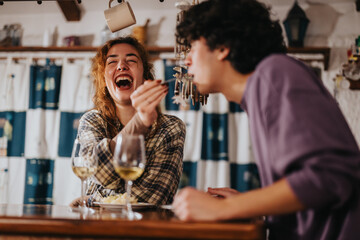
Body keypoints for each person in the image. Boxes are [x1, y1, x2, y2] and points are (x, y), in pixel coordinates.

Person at [172, 0, 360, 239]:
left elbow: (331, 176)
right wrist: (253, 206)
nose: (186, 60)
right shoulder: (259, 91)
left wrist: (225, 208)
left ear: (222, 47)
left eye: (193, 47)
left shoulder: (275, 74)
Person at [71, 36, 185, 206]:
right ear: (104, 80)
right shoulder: (92, 120)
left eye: (131, 60)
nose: (121, 66)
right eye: (112, 62)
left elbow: (153, 198)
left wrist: (91, 199)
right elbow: (96, 172)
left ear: (145, 76)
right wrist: (139, 122)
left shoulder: (170, 128)